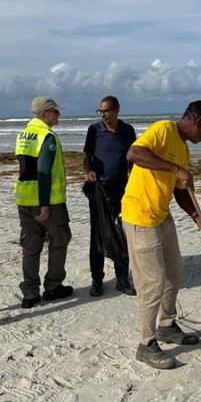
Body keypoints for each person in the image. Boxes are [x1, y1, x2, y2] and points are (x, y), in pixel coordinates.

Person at [122, 100, 201, 369]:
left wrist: (198, 217)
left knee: (174, 272)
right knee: (151, 283)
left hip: (161, 214)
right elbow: (134, 153)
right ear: (198, 122)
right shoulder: (163, 129)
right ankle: (146, 343)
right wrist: (176, 169)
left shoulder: (184, 150)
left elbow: (179, 191)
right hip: (140, 216)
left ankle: (166, 324)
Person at [15, 96, 73, 309]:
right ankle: (53, 287)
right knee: (60, 241)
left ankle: (30, 293)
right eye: (56, 111)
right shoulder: (47, 136)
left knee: (31, 245)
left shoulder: (24, 134)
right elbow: (43, 171)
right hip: (47, 200)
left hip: (24, 198)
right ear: (45, 113)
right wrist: (45, 204)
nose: (59, 115)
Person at [83, 96, 136, 297]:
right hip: (98, 191)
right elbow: (86, 157)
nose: (103, 115)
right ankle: (97, 280)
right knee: (97, 234)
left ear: (117, 110)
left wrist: (133, 179)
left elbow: (132, 158)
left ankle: (122, 278)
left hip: (121, 190)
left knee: (120, 233)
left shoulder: (128, 131)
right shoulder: (94, 130)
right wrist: (88, 172)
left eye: (106, 111)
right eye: (100, 112)